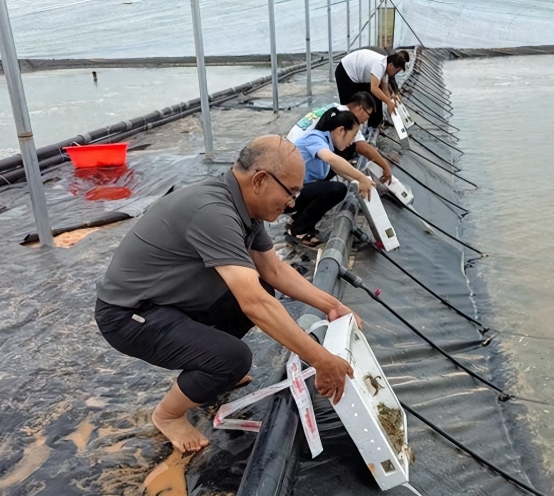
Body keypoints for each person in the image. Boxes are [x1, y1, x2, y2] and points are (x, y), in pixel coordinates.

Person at [94, 135, 359, 453]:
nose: (291, 203)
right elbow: (255, 305)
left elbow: (273, 271)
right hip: (128, 314)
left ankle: (207, 367)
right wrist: (320, 359)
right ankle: (168, 414)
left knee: (262, 285)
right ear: (260, 180)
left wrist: (333, 305)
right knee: (234, 358)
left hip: (167, 302)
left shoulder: (245, 208)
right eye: (290, 192)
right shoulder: (213, 212)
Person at [287, 109, 375, 247]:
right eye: (352, 137)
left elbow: (337, 169)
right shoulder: (315, 139)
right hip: (284, 193)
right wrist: (362, 177)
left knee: (334, 177)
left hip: (296, 190)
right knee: (337, 189)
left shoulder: (327, 143)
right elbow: (331, 159)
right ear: (341, 130)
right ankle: (299, 230)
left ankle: (297, 220)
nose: (351, 142)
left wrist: (358, 182)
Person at [286, 92, 393, 184]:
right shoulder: (345, 118)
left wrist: (356, 179)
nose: (366, 120)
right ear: (360, 109)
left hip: (291, 147)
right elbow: (364, 148)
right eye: (368, 115)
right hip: (296, 158)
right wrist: (385, 166)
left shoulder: (334, 108)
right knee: (350, 148)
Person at [335, 49, 407, 129]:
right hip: (345, 71)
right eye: (396, 72)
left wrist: (391, 101)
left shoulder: (385, 67)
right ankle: (345, 129)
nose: (395, 74)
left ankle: (373, 126)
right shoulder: (379, 65)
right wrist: (388, 102)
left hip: (359, 77)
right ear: (391, 66)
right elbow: (374, 88)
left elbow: (384, 89)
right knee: (350, 105)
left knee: (374, 98)